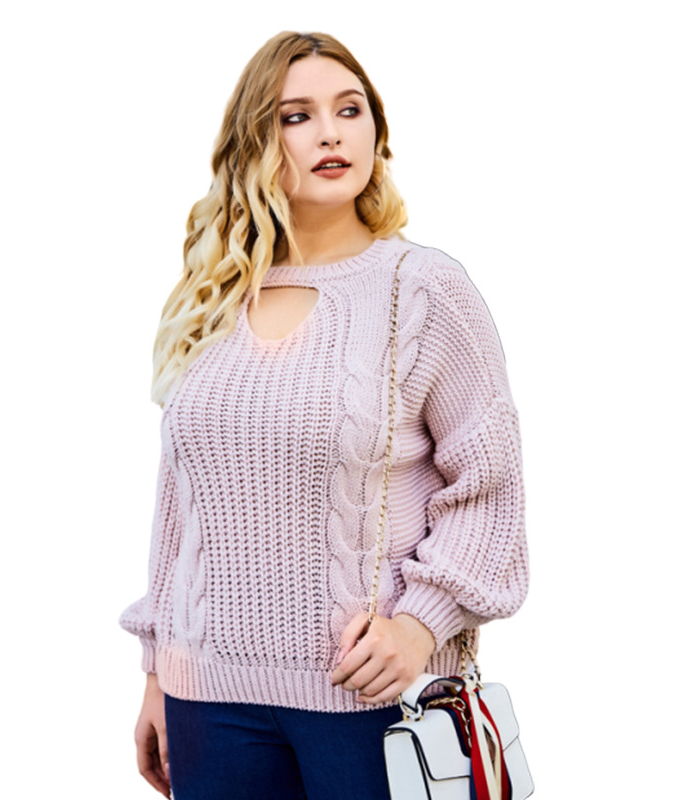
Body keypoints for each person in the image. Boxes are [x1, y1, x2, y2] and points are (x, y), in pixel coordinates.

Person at [120, 31, 528, 800]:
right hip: (208, 701)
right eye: (296, 116)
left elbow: (490, 487)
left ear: (377, 132)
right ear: (255, 141)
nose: (331, 133)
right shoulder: (213, 296)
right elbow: (181, 505)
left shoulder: (423, 290)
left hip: (374, 698)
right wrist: (155, 671)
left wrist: (420, 625)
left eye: (350, 110)